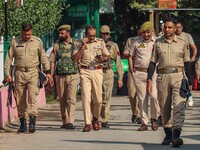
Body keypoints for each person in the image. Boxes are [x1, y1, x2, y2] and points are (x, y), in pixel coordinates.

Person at [147, 18, 192, 147]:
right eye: (165, 27)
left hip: (178, 75)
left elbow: (187, 62)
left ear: (175, 29)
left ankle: (176, 135)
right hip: (162, 76)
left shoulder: (183, 43)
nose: (167, 30)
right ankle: (168, 134)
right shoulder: (158, 43)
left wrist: (189, 81)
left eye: (170, 27)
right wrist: (149, 79)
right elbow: (152, 62)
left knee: (179, 105)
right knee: (164, 106)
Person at [4, 22, 52, 133]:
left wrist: (48, 71)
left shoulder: (37, 41)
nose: (27, 36)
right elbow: (8, 59)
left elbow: (43, 57)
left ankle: (32, 123)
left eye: (29, 34)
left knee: (32, 98)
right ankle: (22, 124)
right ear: (21, 32)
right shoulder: (15, 42)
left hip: (33, 73)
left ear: (32, 32)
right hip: (19, 73)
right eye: (25, 34)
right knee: (20, 99)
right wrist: (7, 73)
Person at [73, 25, 110, 132]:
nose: (92, 38)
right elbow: (75, 59)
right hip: (85, 71)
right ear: (85, 34)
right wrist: (82, 47)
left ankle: (95, 118)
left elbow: (107, 56)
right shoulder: (79, 43)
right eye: (90, 36)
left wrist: (102, 58)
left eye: (93, 35)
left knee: (98, 100)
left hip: (97, 70)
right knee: (86, 98)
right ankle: (87, 123)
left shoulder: (100, 42)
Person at [128, 21, 160, 131]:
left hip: (154, 73)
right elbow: (130, 57)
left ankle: (154, 119)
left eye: (148, 32)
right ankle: (144, 122)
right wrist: (132, 72)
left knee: (154, 96)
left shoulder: (157, 41)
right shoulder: (136, 42)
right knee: (142, 99)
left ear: (152, 31)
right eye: (143, 33)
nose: (146, 35)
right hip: (139, 73)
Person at [49, 25, 79, 129]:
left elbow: (79, 59)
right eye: (59, 33)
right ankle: (64, 120)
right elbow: (52, 61)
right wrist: (51, 76)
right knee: (62, 99)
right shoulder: (57, 44)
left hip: (73, 74)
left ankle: (70, 121)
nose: (60, 35)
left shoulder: (75, 43)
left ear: (68, 33)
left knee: (71, 99)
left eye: (62, 33)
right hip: (60, 75)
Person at [99, 25, 124, 128]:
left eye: (107, 34)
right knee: (96, 97)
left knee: (106, 97)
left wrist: (120, 77)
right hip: (97, 71)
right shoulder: (96, 44)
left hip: (108, 72)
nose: (105, 36)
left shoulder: (114, 46)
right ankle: (95, 117)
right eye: (103, 33)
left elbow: (118, 61)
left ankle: (104, 119)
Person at [123, 26, 141, 124]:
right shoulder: (131, 40)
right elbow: (125, 53)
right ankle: (134, 111)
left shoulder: (151, 41)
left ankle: (139, 115)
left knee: (142, 95)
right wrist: (133, 53)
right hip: (132, 69)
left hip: (144, 70)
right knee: (132, 94)